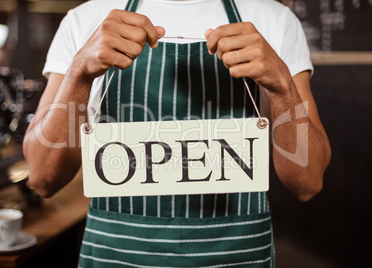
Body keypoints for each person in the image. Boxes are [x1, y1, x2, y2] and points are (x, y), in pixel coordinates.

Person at [23, 0, 331, 266]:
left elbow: (307, 182)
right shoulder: (85, 20)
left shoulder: (274, 20)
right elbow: (42, 178)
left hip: (236, 256)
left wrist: (281, 84)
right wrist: (79, 72)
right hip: (119, 255)